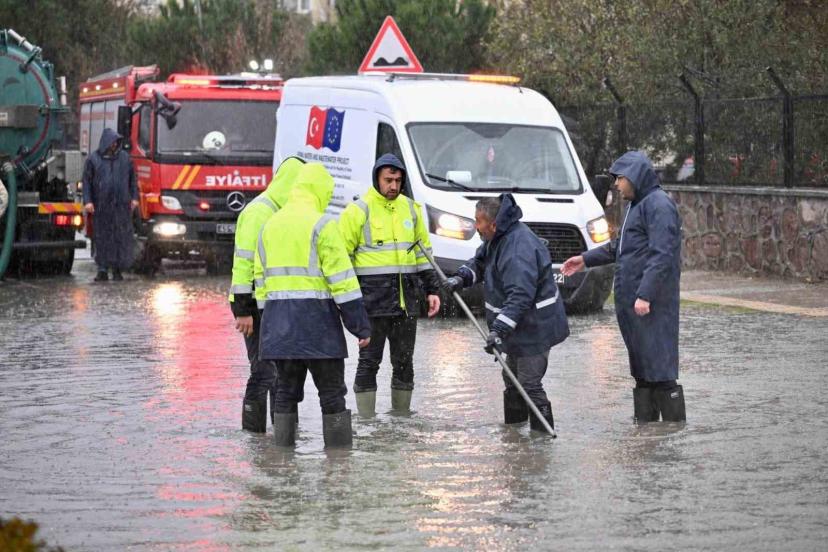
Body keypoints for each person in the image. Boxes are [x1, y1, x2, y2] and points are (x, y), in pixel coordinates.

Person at [561, 150, 685, 422]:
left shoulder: (659, 205)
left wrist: (646, 294)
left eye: (620, 178)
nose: (616, 184)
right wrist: (584, 259)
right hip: (634, 305)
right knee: (642, 371)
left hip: (651, 305)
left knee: (661, 371)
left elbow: (662, 255)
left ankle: (672, 430)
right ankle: (647, 431)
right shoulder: (635, 206)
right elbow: (620, 247)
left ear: (634, 176)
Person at [254, 162, 371, 448]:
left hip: (279, 328)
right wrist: (360, 327)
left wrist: (269, 322)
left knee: (285, 392)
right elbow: (343, 282)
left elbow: (260, 281)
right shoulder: (323, 225)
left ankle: (283, 459)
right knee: (332, 395)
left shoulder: (269, 226)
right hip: (319, 328)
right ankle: (339, 462)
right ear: (320, 191)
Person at [442, 194, 570, 434]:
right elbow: (480, 262)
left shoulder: (517, 249)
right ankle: (514, 438)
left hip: (535, 327)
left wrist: (498, 330)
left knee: (529, 384)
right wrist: (461, 277)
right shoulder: (497, 237)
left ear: (493, 224)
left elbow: (520, 296)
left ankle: (541, 442)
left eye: (478, 222)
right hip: (518, 326)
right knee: (511, 380)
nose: (476, 226)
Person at [338, 153, 441, 416]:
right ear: (377, 179)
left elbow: (423, 254)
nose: (393, 186)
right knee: (369, 362)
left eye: (397, 181)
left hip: (406, 302)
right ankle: (367, 424)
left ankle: (401, 420)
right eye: (388, 180)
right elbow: (341, 259)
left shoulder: (412, 209)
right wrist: (347, 301)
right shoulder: (359, 210)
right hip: (371, 303)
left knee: (404, 363)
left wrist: (432, 290)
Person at [229, 156, 305, 433]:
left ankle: (281, 439)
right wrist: (243, 309)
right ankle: (254, 437)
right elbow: (243, 264)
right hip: (253, 306)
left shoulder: (284, 212)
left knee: (282, 373)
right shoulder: (259, 212)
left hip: (275, 305)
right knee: (264, 371)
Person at [82, 128, 138, 282]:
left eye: (116, 142)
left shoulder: (125, 159)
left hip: (121, 206)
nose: (114, 145)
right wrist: (88, 201)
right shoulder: (93, 159)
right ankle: (103, 269)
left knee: (120, 238)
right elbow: (87, 182)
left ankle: (117, 269)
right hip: (102, 206)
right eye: (112, 142)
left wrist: (134, 197)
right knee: (103, 238)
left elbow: (133, 180)